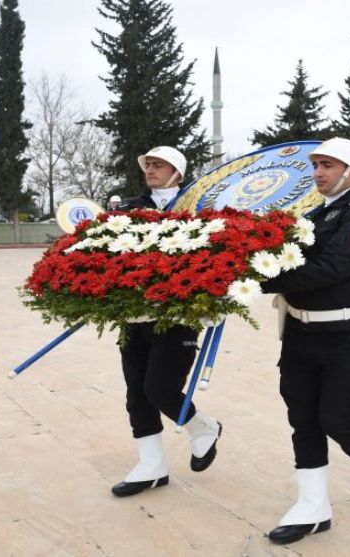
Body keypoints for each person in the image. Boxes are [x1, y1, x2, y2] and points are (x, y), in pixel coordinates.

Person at [259, 138, 350, 545]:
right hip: (300, 331)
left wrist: (254, 279)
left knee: (337, 418)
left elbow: (327, 270)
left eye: (327, 165)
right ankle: (313, 506)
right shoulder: (316, 213)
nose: (317, 172)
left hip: (349, 335)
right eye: (316, 164)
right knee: (303, 417)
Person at [110, 146, 223, 497]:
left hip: (178, 314)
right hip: (134, 312)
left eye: (159, 165)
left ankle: (203, 428)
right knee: (136, 394)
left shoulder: (200, 209)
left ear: (177, 171)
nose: (151, 169)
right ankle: (152, 467)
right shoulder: (127, 208)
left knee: (159, 388)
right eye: (149, 164)